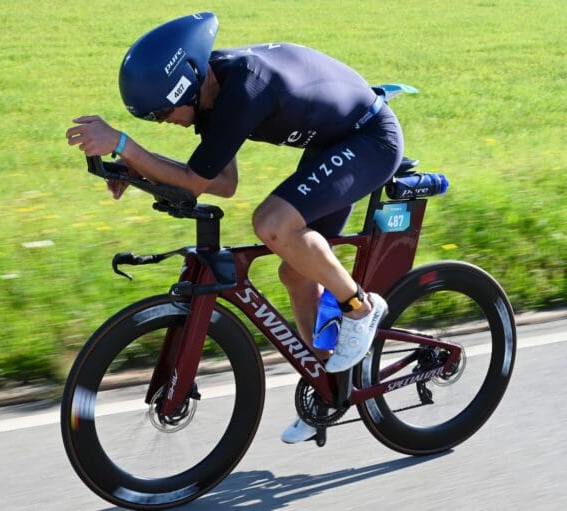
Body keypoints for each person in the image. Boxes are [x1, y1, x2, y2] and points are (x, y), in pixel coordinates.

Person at [65, 12, 403, 444]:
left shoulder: (243, 90)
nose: (165, 122)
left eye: (164, 112)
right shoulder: (210, 93)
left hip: (369, 140)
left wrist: (125, 145)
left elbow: (195, 181)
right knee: (294, 270)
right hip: (333, 144)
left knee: (272, 224)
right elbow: (223, 183)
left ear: (186, 87)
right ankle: (330, 386)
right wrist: (135, 170)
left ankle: (360, 308)